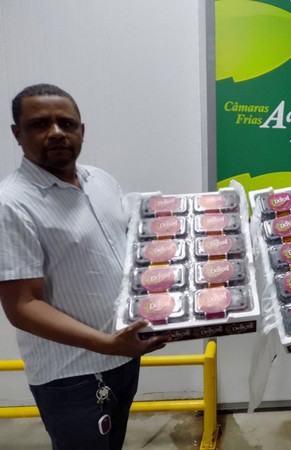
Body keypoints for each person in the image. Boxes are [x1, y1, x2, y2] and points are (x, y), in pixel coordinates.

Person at [0, 84, 168, 449]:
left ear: (81, 130)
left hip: (123, 355)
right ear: (17, 133)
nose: (56, 132)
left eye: (66, 123)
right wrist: (108, 345)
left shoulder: (101, 181)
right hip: (70, 375)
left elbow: (130, 255)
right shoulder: (11, 204)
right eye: (40, 124)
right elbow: (22, 306)